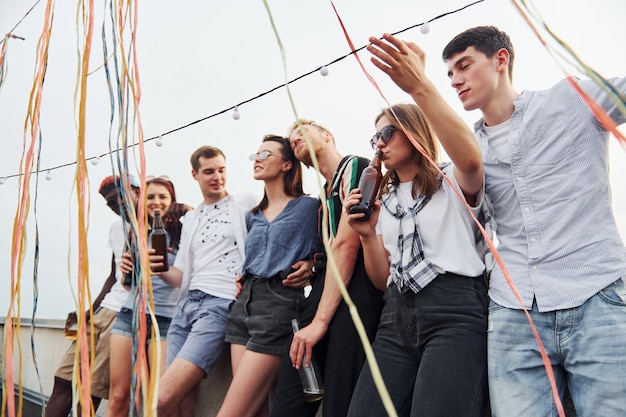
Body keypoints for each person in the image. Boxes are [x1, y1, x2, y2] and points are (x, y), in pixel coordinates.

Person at [371, 27, 626, 415]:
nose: (455, 79)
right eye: (449, 73)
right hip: (514, 310)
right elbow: (466, 168)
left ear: (501, 59)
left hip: (596, 292)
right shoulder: (465, 150)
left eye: (464, 65)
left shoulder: (572, 98)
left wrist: (419, 85)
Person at [345, 104, 488, 415]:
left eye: (386, 132)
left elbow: (472, 160)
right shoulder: (384, 199)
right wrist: (368, 236)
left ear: (413, 130)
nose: (380, 144)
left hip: (454, 312)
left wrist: (418, 86)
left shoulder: (450, 177)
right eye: (375, 138)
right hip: (395, 317)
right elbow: (381, 277)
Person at [269, 120, 384, 417]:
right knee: (290, 396)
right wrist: (309, 265)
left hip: (355, 285)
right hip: (325, 284)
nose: (296, 139)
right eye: (292, 140)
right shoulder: (322, 198)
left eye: (302, 132)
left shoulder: (356, 167)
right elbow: (330, 247)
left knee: (340, 398)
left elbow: (347, 245)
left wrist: (319, 321)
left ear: (328, 135)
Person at [217, 135, 321, 417]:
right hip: (243, 305)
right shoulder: (253, 215)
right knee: (255, 408)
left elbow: (329, 249)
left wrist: (313, 266)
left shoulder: (308, 208)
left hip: (278, 305)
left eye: (266, 154)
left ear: (287, 164)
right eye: (256, 155)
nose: (257, 159)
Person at [149, 146, 256, 417]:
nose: (217, 177)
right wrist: (159, 268)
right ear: (195, 174)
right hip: (184, 308)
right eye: (209, 171)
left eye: (221, 170)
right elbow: (180, 275)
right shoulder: (191, 218)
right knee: (178, 404)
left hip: (218, 306)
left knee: (161, 399)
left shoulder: (245, 202)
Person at [45, 175, 140, 417]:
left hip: (125, 315)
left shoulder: (159, 221)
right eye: (109, 203)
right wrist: (88, 312)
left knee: (91, 389)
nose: (115, 206)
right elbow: (112, 275)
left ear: (137, 190)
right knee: (64, 379)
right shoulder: (116, 228)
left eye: (118, 198)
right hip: (103, 311)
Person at [106, 176, 191, 417]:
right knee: (119, 394)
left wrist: (183, 208)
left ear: (172, 200)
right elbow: (126, 284)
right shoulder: (135, 231)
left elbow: (186, 278)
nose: (156, 202)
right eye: (150, 196)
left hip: (166, 320)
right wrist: (125, 269)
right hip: (129, 315)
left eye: (162, 197)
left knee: (161, 397)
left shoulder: (184, 231)